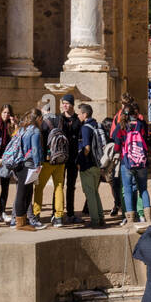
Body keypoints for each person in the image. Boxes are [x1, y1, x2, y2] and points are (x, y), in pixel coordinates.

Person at [111, 97, 151, 226]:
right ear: (136, 113)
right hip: (141, 162)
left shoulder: (121, 126)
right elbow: (146, 140)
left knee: (128, 189)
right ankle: (148, 218)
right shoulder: (142, 125)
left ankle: (130, 219)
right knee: (143, 189)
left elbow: (117, 146)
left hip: (126, 162)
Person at [34, 110, 69, 226]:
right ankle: (58, 217)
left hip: (47, 160)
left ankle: (36, 214)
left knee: (39, 187)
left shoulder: (43, 122)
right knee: (59, 187)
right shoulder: (61, 120)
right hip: (60, 159)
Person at [13, 109, 45, 230]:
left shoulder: (22, 129)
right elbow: (35, 150)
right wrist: (38, 165)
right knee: (25, 193)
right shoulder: (35, 131)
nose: (42, 121)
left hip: (19, 164)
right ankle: (20, 223)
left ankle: (22, 220)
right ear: (37, 119)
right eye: (41, 119)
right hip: (29, 164)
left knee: (22, 192)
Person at [76, 103, 106, 227]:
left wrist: (80, 162)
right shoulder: (98, 125)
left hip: (87, 165)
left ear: (85, 114)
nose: (78, 116)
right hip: (98, 164)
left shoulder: (85, 128)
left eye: (79, 113)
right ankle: (100, 217)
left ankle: (94, 220)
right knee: (95, 192)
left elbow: (87, 147)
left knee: (89, 193)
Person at [59, 93, 83, 223]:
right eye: (63, 103)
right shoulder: (59, 119)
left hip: (73, 157)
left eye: (67, 103)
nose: (64, 105)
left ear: (72, 105)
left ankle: (70, 213)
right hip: (61, 156)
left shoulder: (77, 120)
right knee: (59, 185)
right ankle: (57, 212)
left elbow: (80, 137)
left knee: (71, 186)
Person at [0, 104, 16, 223]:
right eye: (4, 112)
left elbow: (16, 137)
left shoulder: (11, 126)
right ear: (0, 113)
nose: (6, 115)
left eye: (8, 113)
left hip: (6, 158)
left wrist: (14, 124)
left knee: (5, 186)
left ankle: (3, 211)